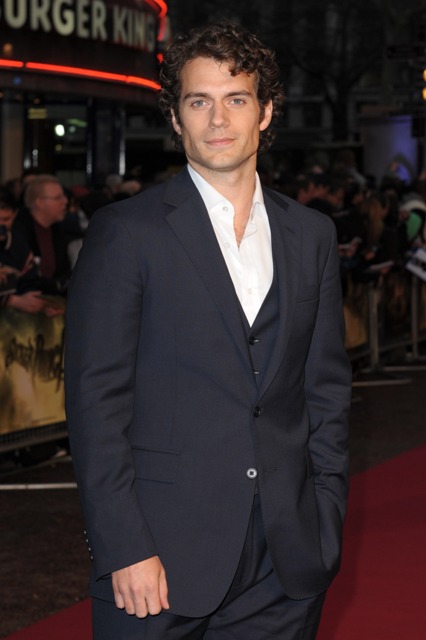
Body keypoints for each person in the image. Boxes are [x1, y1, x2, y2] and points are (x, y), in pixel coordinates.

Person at [65, 22, 352, 639]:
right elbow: (95, 402)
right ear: (176, 118)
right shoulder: (127, 232)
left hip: (286, 561)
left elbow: (325, 390)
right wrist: (123, 545)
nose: (218, 119)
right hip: (159, 560)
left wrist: (324, 518)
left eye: (236, 99)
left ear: (265, 112)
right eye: (199, 101)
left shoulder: (311, 235)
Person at [14, 174, 72, 296]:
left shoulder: (59, 231)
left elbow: (64, 272)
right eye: (58, 198)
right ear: (39, 202)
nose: (65, 201)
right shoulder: (17, 232)